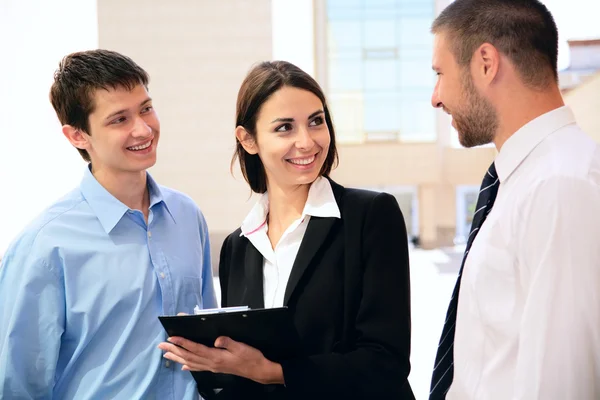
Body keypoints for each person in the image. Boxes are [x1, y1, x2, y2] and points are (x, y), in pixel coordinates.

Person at [158, 61, 415, 399]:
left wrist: (271, 373)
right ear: (248, 139)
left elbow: (386, 361)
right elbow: (243, 375)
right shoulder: (238, 246)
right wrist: (214, 360)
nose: (307, 142)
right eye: (285, 128)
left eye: (316, 121)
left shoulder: (371, 215)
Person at [0, 49, 217, 399]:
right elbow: (19, 386)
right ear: (77, 136)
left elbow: (208, 342)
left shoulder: (187, 215)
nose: (143, 129)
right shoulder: (43, 246)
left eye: (146, 108)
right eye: (119, 119)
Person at [428, 1, 600, 399]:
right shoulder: (522, 180)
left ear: (486, 62)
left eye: (440, 73)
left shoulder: (561, 185)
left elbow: (563, 384)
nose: (435, 98)